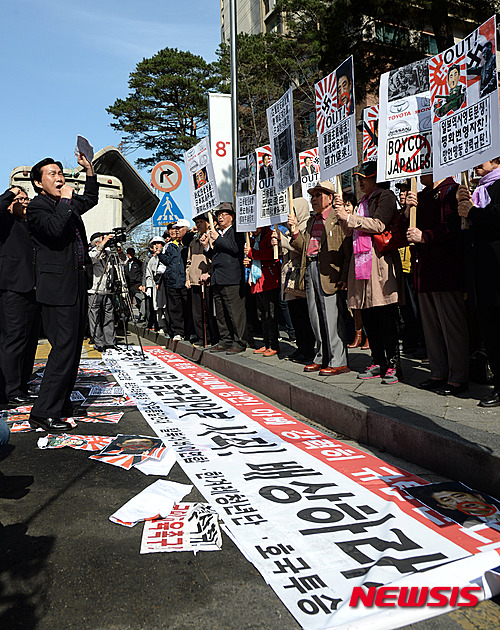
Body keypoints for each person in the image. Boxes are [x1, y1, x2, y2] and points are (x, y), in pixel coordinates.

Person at [27, 153, 99, 431]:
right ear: (38, 183)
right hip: (56, 289)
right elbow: (54, 231)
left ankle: (61, 402)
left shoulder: (63, 204)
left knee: (73, 349)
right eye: (52, 174)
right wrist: (67, 201)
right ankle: (43, 411)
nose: (59, 178)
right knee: (62, 349)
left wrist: (90, 171)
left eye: (61, 173)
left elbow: (90, 200)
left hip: (77, 283)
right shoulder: (38, 207)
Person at [335, 161, 403, 384]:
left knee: (385, 314)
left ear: (376, 178)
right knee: (368, 315)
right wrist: (342, 215)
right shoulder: (363, 201)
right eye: (358, 177)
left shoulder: (385, 196)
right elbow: (349, 231)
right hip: (361, 265)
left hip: (379, 264)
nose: (360, 181)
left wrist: (351, 218)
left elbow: (379, 224)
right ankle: (377, 360)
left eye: (365, 177)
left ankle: (393, 364)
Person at [405, 174, 468, 396]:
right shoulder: (420, 196)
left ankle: (458, 376)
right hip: (424, 271)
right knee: (431, 328)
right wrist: (408, 211)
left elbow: (454, 227)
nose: (419, 173)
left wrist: (426, 236)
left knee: (451, 326)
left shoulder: (452, 190)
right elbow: (408, 230)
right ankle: (438, 372)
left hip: (445, 270)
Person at [289, 181, 352, 376]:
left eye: (318, 195)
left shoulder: (337, 217)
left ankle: (338, 359)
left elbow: (346, 249)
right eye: (312, 196)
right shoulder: (311, 220)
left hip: (329, 272)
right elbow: (304, 246)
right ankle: (321, 356)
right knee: (315, 316)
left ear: (331, 197)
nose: (314, 199)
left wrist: (344, 275)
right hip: (311, 267)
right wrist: (295, 233)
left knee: (332, 317)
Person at [457, 157, 500, 407]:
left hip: (496, 271)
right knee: (490, 333)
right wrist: (462, 207)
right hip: (480, 274)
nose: (474, 163)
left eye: (480, 157)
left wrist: (473, 211)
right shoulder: (475, 190)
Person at [0, 186, 39, 407]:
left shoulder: (31, 224)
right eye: (19, 199)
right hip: (12, 289)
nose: (24, 202)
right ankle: (9, 389)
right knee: (13, 339)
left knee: (29, 340)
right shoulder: (5, 221)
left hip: (33, 290)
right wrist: (10, 193)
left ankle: (22, 385)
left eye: (26, 198)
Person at [273, 198, 316, 363]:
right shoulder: (289, 229)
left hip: (301, 277)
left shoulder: (306, 225)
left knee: (303, 315)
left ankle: (308, 348)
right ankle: (301, 347)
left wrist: (283, 240)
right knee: (295, 316)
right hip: (290, 277)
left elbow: (302, 248)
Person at [201, 203, 247, 354]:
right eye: (219, 214)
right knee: (220, 313)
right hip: (217, 277)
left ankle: (239, 341)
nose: (220, 217)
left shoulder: (237, 231)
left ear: (232, 217)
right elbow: (215, 255)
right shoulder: (217, 233)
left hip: (231, 277)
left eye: (224, 214)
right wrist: (207, 246)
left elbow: (235, 249)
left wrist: (218, 238)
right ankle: (225, 339)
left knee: (235, 312)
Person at [244, 226, 281, 357]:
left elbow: (270, 254)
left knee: (270, 314)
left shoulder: (270, 235)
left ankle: (274, 344)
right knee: (262, 314)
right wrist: (248, 261)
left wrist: (251, 253)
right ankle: (266, 342)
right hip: (257, 281)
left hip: (269, 280)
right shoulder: (254, 239)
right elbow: (255, 258)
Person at [186, 214, 217, 346]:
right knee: (196, 312)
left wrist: (209, 273)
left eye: (201, 222)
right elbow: (188, 262)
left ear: (209, 223)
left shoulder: (213, 238)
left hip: (207, 281)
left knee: (209, 311)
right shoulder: (193, 241)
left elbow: (215, 260)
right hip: (194, 281)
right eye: (197, 222)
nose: (198, 224)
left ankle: (212, 337)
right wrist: (187, 278)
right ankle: (201, 337)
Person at [158, 223, 189, 341]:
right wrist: (160, 254)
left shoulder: (187, 244)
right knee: (174, 308)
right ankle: (178, 332)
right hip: (172, 281)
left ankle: (189, 331)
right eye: (172, 230)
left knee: (187, 307)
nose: (175, 232)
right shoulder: (169, 246)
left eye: (177, 229)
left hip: (185, 281)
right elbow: (167, 261)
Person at [88, 233, 117, 352]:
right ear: (96, 243)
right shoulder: (92, 253)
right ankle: (99, 342)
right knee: (94, 317)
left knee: (109, 316)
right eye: (102, 239)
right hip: (94, 290)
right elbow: (91, 258)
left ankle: (110, 342)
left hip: (107, 290)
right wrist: (102, 245)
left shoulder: (109, 254)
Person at [144, 236, 167, 334]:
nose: (156, 246)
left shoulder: (166, 256)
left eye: (159, 243)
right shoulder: (152, 260)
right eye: (154, 244)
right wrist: (148, 286)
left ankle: (168, 326)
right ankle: (161, 325)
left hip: (165, 286)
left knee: (165, 307)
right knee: (157, 307)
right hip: (155, 287)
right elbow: (148, 273)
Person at [124, 248, 145, 322]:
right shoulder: (126, 263)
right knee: (128, 302)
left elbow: (142, 273)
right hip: (128, 285)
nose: (130, 255)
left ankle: (142, 314)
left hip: (137, 284)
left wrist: (142, 284)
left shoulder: (138, 263)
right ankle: (128, 315)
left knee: (139, 300)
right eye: (128, 253)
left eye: (131, 253)